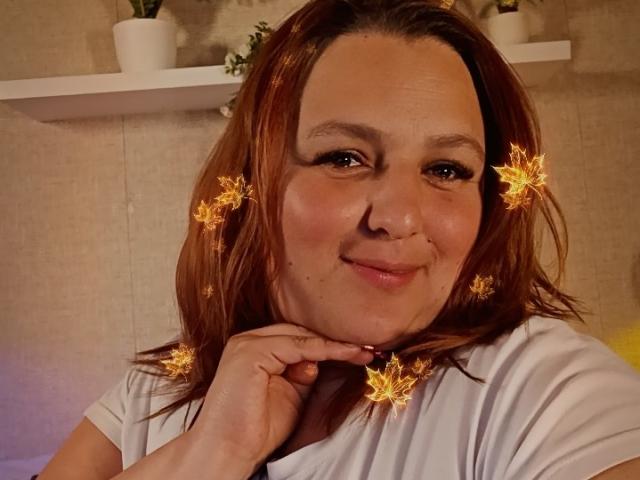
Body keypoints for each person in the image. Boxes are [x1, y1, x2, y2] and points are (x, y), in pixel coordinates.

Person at [38, 1, 640, 479]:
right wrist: (208, 454)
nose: (399, 218)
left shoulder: (540, 392)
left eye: (447, 169)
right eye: (345, 157)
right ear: (255, 181)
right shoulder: (156, 392)